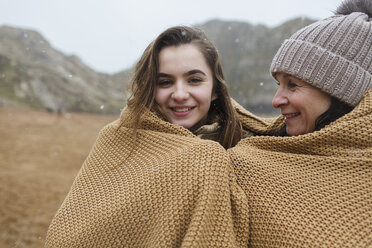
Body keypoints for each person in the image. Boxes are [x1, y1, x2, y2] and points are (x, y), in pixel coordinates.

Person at [44, 26, 249, 247]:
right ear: (150, 88)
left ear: (215, 89)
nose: (179, 94)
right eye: (165, 82)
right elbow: (70, 234)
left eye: (194, 80)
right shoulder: (118, 138)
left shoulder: (245, 146)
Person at [229, 0, 372, 246]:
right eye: (278, 84)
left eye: (292, 84)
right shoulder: (250, 165)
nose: (276, 100)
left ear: (341, 93)